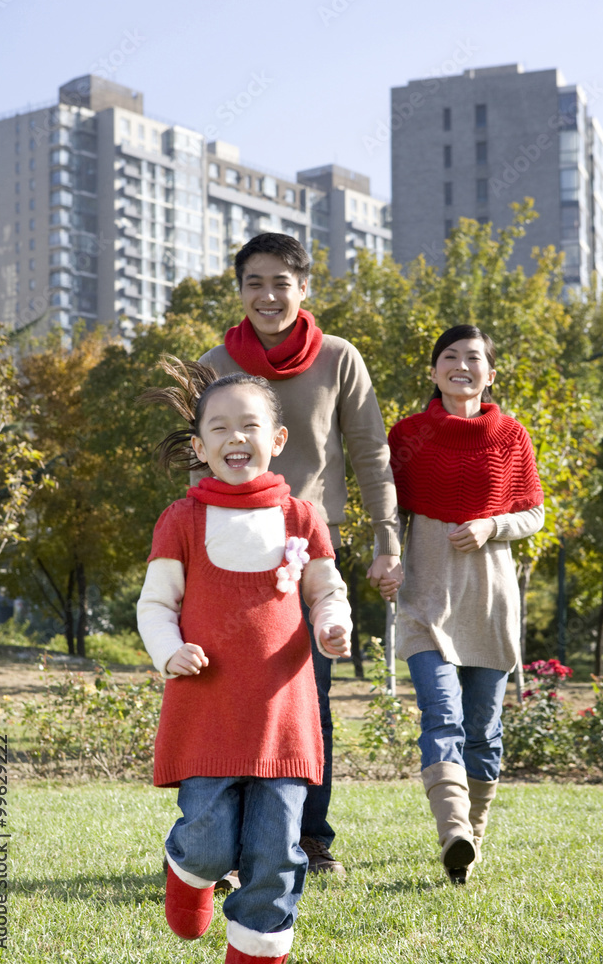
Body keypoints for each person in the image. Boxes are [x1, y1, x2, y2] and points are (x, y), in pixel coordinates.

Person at [198, 232, 402, 875]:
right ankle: (225, 845)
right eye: (254, 282)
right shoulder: (212, 362)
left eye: (281, 282)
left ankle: (311, 841)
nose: (267, 294)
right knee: (228, 695)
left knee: (307, 698)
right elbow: (195, 455)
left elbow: (370, 454)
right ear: (239, 291)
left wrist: (386, 537)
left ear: (304, 288)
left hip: (307, 551)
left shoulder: (340, 358)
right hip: (225, 550)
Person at [136, 362, 352, 964]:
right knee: (209, 841)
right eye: (220, 428)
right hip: (207, 714)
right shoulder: (182, 521)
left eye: (249, 426)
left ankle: (258, 951)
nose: (236, 438)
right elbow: (156, 604)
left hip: (281, 716)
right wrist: (169, 650)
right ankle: (188, 867)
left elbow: (325, 589)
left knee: (275, 853)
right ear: (200, 446)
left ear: (277, 440)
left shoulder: (301, 518)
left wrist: (333, 623)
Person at [383, 325, 544, 884]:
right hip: (426, 598)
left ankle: (470, 839)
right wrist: (387, 557)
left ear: (490, 374)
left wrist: (490, 525)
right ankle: (452, 829)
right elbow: (386, 513)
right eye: (449, 356)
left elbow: (533, 513)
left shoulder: (511, 436)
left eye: (474, 358)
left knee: (482, 727)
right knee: (441, 713)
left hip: (490, 600)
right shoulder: (407, 435)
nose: (461, 365)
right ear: (432, 372)